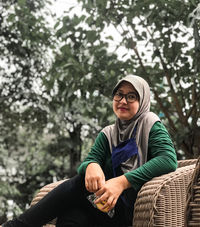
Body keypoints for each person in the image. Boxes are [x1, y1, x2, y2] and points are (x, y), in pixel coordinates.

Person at [2, 74, 177, 227]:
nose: (123, 101)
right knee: (72, 213)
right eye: (119, 95)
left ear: (143, 101)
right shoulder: (108, 133)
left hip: (136, 209)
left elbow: (168, 159)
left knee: (77, 184)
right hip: (107, 209)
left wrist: (121, 182)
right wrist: (92, 164)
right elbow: (90, 160)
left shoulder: (150, 124)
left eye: (132, 96)